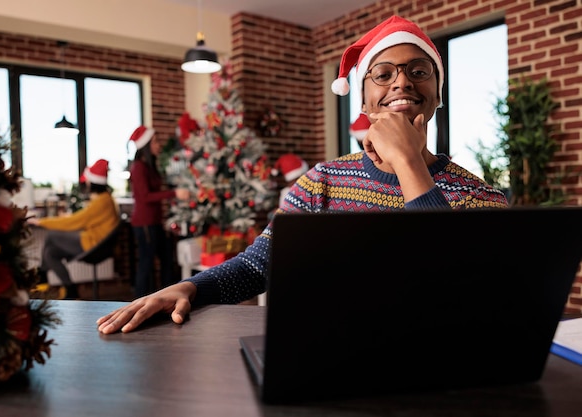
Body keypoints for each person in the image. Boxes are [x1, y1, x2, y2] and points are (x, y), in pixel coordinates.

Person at [97, 15, 509, 334]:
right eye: (383, 74)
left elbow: (463, 289)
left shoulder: (481, 197)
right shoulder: (322, 182)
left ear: (437, 91)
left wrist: (409, 163)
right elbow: (259, 266)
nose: (402, 81)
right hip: (333, 359)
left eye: (419, 71)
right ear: (363, 98)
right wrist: (191, 287)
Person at [29, 159, 120, 299]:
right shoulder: (105, 198)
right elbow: (84, 220)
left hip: (94, 245)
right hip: (93, 241)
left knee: (52, 235)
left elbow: (75, 222)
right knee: (50, 253)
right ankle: (71, 291)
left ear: (92, 182)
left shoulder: (102, 202)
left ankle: (42, 275)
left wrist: (41, 222)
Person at [127, 125, 190, 298]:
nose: (158, 145)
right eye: (155, 141)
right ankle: (137, 303)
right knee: (146, 265)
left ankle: (166, 298)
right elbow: (146, 197)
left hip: (154, 222)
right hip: (144, 223)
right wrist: (174, 193)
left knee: (166, 261)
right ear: (146, 145)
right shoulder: (139, 167)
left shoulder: (149, 166)